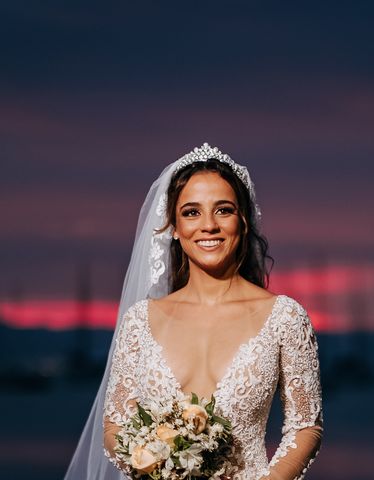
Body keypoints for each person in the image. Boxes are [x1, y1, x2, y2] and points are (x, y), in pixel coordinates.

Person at [64, 143, 323, 480]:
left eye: (223, 210)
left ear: (243, 221)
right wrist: (157, 468)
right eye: (191, 212)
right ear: (172, 226)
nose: (208, 226)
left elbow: (305, 427)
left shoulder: (285, 318)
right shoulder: (140, 321)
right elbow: (115, 426)